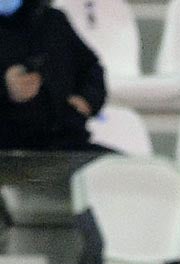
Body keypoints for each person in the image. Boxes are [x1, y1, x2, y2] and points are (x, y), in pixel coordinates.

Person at [0, 0, 107, 152]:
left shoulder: (52, 21)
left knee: (125, 170)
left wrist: (87, 100)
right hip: (9, 149)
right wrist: (6, 88)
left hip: (65, 143)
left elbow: (90, 68)